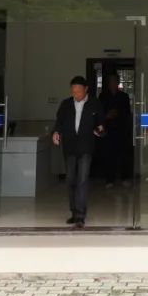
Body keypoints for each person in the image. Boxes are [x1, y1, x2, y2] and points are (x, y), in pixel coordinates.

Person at [51, 75, 103, 228]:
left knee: (82, 179)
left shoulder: (94, 103)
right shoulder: (66, 104)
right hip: (70, 147)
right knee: (70, 179)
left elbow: (101, 123)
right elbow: (59, 122)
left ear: (86, 89)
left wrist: (100, 129)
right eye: (73, 92)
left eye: (79, 91)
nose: (76, 94)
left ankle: (80, 215)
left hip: (86, 147)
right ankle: (74, 212)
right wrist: (56, 133)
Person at [98, 73, 133, 187]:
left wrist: (118, 114)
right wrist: (106, 116)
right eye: (110, 82)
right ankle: (109, 180)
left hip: (121, 129)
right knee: (109, 155)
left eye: (114, 81)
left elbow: (127, 113)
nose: (112, 84)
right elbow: (99, 112)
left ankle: (125, 178)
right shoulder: (103, 96)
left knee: (123, 155)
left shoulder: (124, 96)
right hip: (108, 129)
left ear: (118, 83)